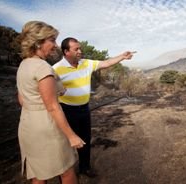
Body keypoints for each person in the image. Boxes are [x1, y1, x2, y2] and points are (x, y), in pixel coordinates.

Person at [53, 37, 135, 177]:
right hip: (66, 110)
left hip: (84, 109)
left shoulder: (86, 63)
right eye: (76, 49)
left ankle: (85, 167)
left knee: (85, 139)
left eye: (80, 48)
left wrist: (122, 56)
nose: (80, 51)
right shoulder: (55, 69)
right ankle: (67, 173)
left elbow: (106, 63)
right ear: (66, 51)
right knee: (66, 143)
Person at [17, 21, 85, 184]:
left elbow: (21, 99)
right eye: (52, 40)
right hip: (47, 128)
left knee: (39, 175)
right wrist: (71, 136)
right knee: (67, 170)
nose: (55, 45)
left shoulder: (24, 65)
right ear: (39, 42)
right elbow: (53, 106)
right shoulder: (43, 68)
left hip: (27, 125)